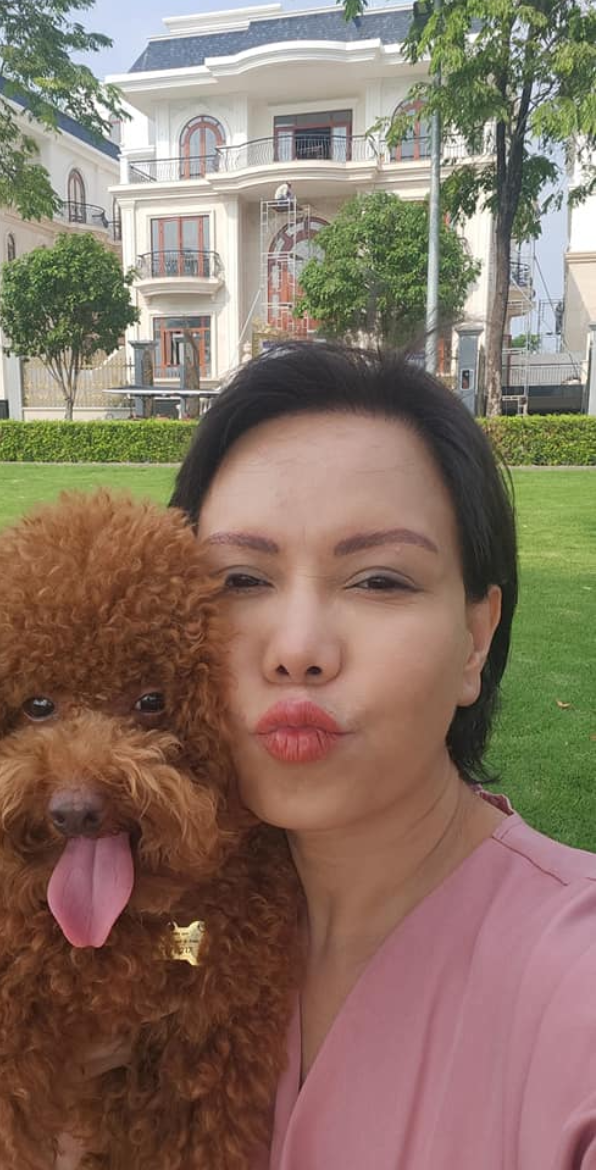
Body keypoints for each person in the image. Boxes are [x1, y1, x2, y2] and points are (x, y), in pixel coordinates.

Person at [61, 342, 596, 1169]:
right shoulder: (162, 918)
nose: (298, 650)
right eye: (239, 581)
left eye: (379, 580)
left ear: (475, 641)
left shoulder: (573, 982)